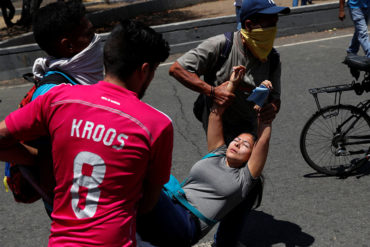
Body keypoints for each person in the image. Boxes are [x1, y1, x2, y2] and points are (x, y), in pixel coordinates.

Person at [0, 19, 172, 246]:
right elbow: (147, 204)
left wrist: (40, 159)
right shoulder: (157, 124)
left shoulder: (58, 99)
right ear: (145, 70)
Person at [137, 66, 275, 247]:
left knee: (141, 178)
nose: (238, 143)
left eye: (246, 145)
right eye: (237, 140)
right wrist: (232, 84)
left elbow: (263, 141)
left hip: (186, 222)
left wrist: (265, 103)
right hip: (168, 204)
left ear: (251, 157)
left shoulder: (244, 179)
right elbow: (216, 114)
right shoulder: (217, 153)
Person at [3, 0, 105, 211]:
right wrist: (40, 159)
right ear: (68, 45)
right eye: (89, 34)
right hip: (75, 205)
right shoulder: (52, 95)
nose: (96, 40)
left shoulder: (82, 78)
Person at [169, 0, 289, 144]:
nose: (273, 30)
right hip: (217, 125)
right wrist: (212, 91)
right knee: (220, 164)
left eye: (275, 24)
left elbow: (275, 99)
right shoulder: (220, 45)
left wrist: (273, 107)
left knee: (246, 165)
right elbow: (177, 69)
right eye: (269, 25)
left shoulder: (273, 57)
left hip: (249, 130)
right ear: (249, 25)